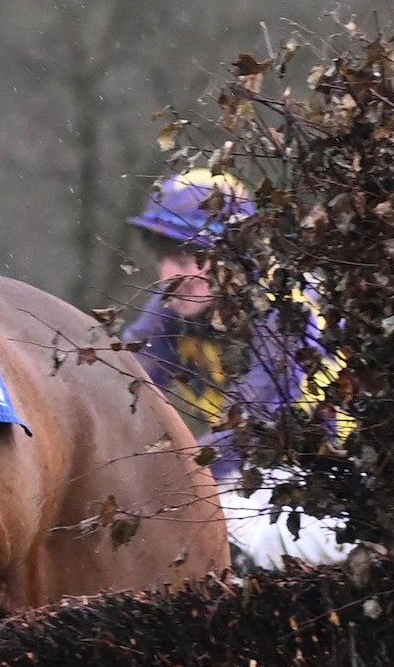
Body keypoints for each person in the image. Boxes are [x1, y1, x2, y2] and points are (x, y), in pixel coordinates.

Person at [122, 170, 354, 568]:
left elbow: (248, 425)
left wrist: (161, 486)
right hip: (266, 474)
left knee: (216, 534)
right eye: (164, 258)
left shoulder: (287, 307)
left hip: (348, 482)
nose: (169, 276)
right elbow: (120, 381)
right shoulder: (171, 306)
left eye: (185, 258)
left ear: (236, 258)